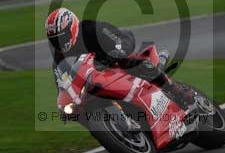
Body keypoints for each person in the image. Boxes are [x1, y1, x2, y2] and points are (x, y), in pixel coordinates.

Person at [45, 7, 193, 106]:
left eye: (62, 36)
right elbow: (61, 83)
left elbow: (116, 39)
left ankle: (174, 89)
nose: (59, 42)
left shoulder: (91, 29)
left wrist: (118, 52)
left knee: (126, 61)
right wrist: (64, 102)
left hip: (119, 43)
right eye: (55, 39)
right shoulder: (59, 56)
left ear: (72, 27)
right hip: (97, 68)